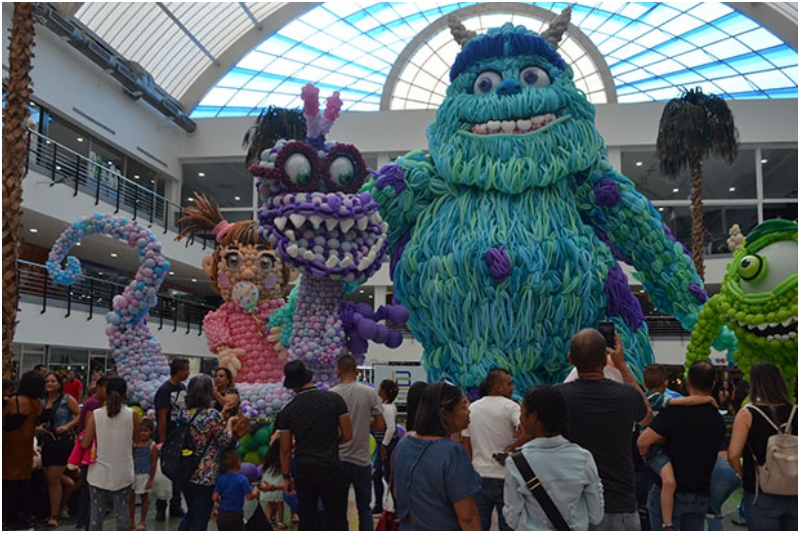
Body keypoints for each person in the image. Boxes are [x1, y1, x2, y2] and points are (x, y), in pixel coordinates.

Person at [557, 329, 652, 531]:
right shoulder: (627, 395)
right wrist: (622, 366)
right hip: (620, 502)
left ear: (570, 359)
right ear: (604, 360)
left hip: (572, 503)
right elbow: (647, 416)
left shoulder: (556, 397)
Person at [637, 361, 725, 531]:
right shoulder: (717, 419)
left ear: (688, 382)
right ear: (713, 385)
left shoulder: (674, 412)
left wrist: (647, 457)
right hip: (699, 494)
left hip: (670, 494)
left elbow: (643, 441)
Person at [503, 385, 604, 530]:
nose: (520, 417)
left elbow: (512, 518)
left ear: (533, 416)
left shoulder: (516, 462)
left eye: (522, 411)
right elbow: (596, 515)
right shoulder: (583, 458)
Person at [392, 380, 481, 530]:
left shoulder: (404, 444)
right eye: (463, 407)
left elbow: (397, 491)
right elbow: (468, 517)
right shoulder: (452, 453)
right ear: (444, 413)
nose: (468, 411)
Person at [276, 360, 352, 531]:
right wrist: (332, 443)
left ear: (293, 385)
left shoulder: (288, 411)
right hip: (330, 468)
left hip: (304, 471)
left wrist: (286, 477)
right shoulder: (334, 400)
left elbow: (285, 450)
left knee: (307, 519)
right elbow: (348, 435)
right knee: (337, 518)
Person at [728, 361, 797, 531]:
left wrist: (743, 474)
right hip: (795, 488)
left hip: (760, 490)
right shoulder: (796, 411)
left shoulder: (747, 414)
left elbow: (733, 454)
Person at [178, 374, 250, 531]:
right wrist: (229, 423)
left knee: (191, 512)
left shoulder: (183, 413)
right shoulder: (212, 415)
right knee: (200, 516)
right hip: (205, 474)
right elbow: (225, 440)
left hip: (184, 469)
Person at [462, 368, 531, 531]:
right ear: (498, 387)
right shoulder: (511, 407)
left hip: (478, 475)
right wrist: (513, 447)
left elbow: (466, 444)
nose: (513, 387)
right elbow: (528, 431)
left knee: (479, 526)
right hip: (505, 476)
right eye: (509, 384)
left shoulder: (472, 408)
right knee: (508, 525)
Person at [330, 354, 385, 531]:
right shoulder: (369, 393)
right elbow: (380, 425)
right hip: (361, 459)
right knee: (365, 509)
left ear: (338, 371)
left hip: (338, 458)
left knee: (339, 510)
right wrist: (363, 423)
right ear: (357, 371)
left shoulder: (331, 394)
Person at [83, 376, 139, 531]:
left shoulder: (96, 415)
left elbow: (85, 443)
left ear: (105, 392)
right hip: (123, 470)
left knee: (96, 515)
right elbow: (136, 440)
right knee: (122, 513)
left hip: (98, 472)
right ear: (126, 393)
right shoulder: (133, 415)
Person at [36, 371, 81, 528]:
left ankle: (54, 514)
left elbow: (80, 415)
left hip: (61, 443)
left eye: (53, 381)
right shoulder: (41, 401)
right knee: (51, 479)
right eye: (47, 381)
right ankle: (57, 508)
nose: (49, 384)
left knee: (54, 481)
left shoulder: (66, 399)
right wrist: (37, 429)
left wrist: (67, 426)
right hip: (46, 442)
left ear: (59, 384)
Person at [3, 370, 45, 531]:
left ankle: (6, 518)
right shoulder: (37, 404)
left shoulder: (15, 402)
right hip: (26, 447)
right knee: (24, 484)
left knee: (8, 484)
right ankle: (26, 518)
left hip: (10, 445)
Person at [154, 358, 189, 521]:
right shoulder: (164, 390)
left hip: (180, 437)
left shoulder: (183, 388)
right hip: (168, 436)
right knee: (165, 472)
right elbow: (162, 416)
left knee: (179, 472)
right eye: (185, 369)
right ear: (178, 371)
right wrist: (162, 440)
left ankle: (176, 504)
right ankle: (161, 507)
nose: (187, 373)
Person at [75, 375, 107, 530]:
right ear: (99, 387)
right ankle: (85, 520)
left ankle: (84, 519)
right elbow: (89, 428)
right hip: (90, 451)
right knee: (89, 488)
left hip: (90, 450)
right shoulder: (94, 404)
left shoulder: (95, 402)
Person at [213, 449, 260, 531]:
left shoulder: (221, 479)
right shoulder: (242, 479)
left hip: (222, 513)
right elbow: (249, 497)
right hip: (236, 513)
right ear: (238, 463)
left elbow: (214, 497)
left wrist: (219, 501)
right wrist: (255, 492)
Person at [372, 378, 399, 515]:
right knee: (378, 474)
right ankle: (379, 504)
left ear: (384, 391)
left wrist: (384, 445)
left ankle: (396, 505)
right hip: (383, 445)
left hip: (387, 446)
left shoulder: (387, 408)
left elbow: (391, 428)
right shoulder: (385, 406)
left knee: (388, 475)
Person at [130, 418, 158, 531]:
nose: (142, 433)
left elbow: (154, 463)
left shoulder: (152, 445)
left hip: (145, 474)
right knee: (131, 497)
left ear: (151, 432)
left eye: (145, 431)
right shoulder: (134, 444)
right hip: (133, 473)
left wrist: (151, 479)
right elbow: (131, 457)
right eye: (140, 430)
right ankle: (131, 520)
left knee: (144, 497)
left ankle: (142, 521)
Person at [260, 435, 287, 529]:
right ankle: (280, 522)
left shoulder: (268, 456)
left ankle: (268, 521)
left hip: (267, 479)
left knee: (269, 503)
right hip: (279, 480)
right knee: (280, 503)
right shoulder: (282, 456)